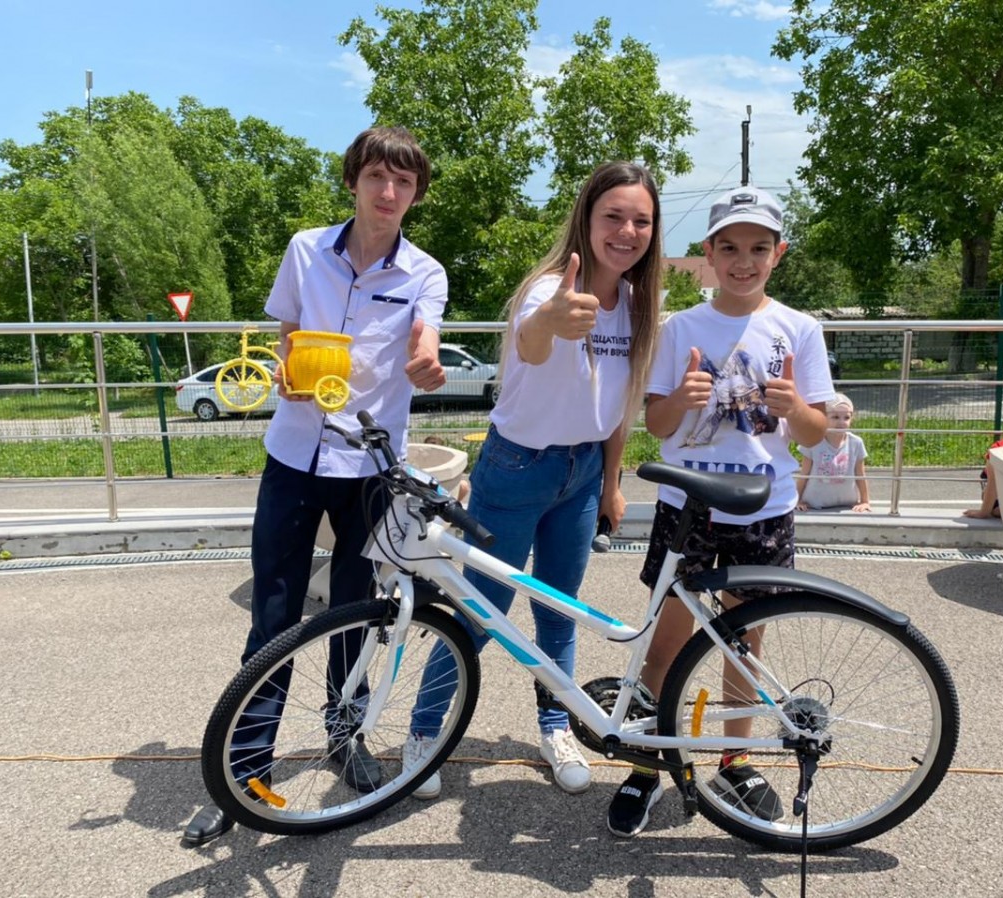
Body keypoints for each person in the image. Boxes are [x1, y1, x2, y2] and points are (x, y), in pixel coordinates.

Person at [183, 126, 448, 847]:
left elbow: (424, 338)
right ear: (353, 180)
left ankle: (345, 736)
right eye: (376, 177)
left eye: (403, 182)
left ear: (416, 194)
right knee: (272, 616)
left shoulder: (424, 271)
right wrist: (282, 370)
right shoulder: (305, 249)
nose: (388, 192)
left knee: (357, 614)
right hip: (295, 454)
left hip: (370, 467)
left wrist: (427, 363)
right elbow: (290, 334)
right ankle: (243, 773)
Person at [405, 162, 663, 799]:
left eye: (641, 220)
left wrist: (611, 483)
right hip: (517, 467)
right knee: (480, 611)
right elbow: (531, 341)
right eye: (613, 216)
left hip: (581, 474)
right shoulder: (549, 289)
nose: (627, 231)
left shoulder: (638, 305)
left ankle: (555, 726)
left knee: (559, 609)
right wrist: (552, 320)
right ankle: (425, 731)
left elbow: (618, 408)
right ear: (586, 219)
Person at [605, 186, 835, 838]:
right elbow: (656, 423)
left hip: (766, 508)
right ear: (707, 253)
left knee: (746, 642)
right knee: (666, 642)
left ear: (778, 254)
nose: (743, 261)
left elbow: (817, 433)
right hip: (688, 507)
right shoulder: (681, 327)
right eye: (729, 248)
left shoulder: (800, 329)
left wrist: (795, 409)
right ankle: (650, 761)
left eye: (758, 248)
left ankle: (736, 759)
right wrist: (680, 398)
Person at [795, 392, 871, 512]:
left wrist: (865, 501)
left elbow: (860, 475)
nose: (841, 422)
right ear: (824, 417)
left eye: (846, 417)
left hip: (846, 504)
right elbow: (804, 474)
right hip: (814, 503)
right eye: (835, 417)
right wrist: (797, 500)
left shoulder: (856, 442)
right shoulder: (813, 440)